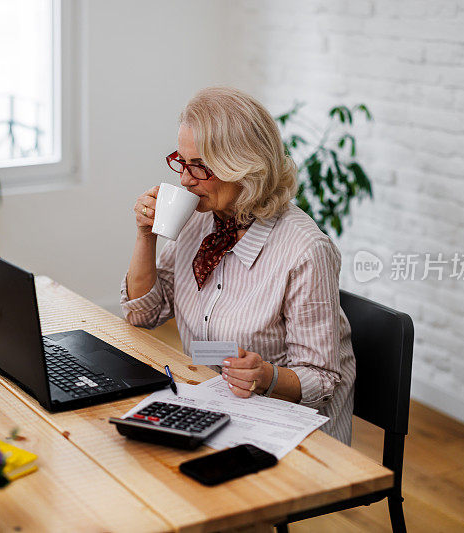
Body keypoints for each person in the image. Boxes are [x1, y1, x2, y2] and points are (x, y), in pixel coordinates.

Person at [120, 87, 356, 444]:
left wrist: (266, 376)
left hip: (292, 434)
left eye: (200, 166)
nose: (184, 179)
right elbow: (143, 314)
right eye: (181, 161)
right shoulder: (199, 218)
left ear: (245, 166)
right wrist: (145, 235)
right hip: (213, 406)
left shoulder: (306, 250)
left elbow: (321, 379)